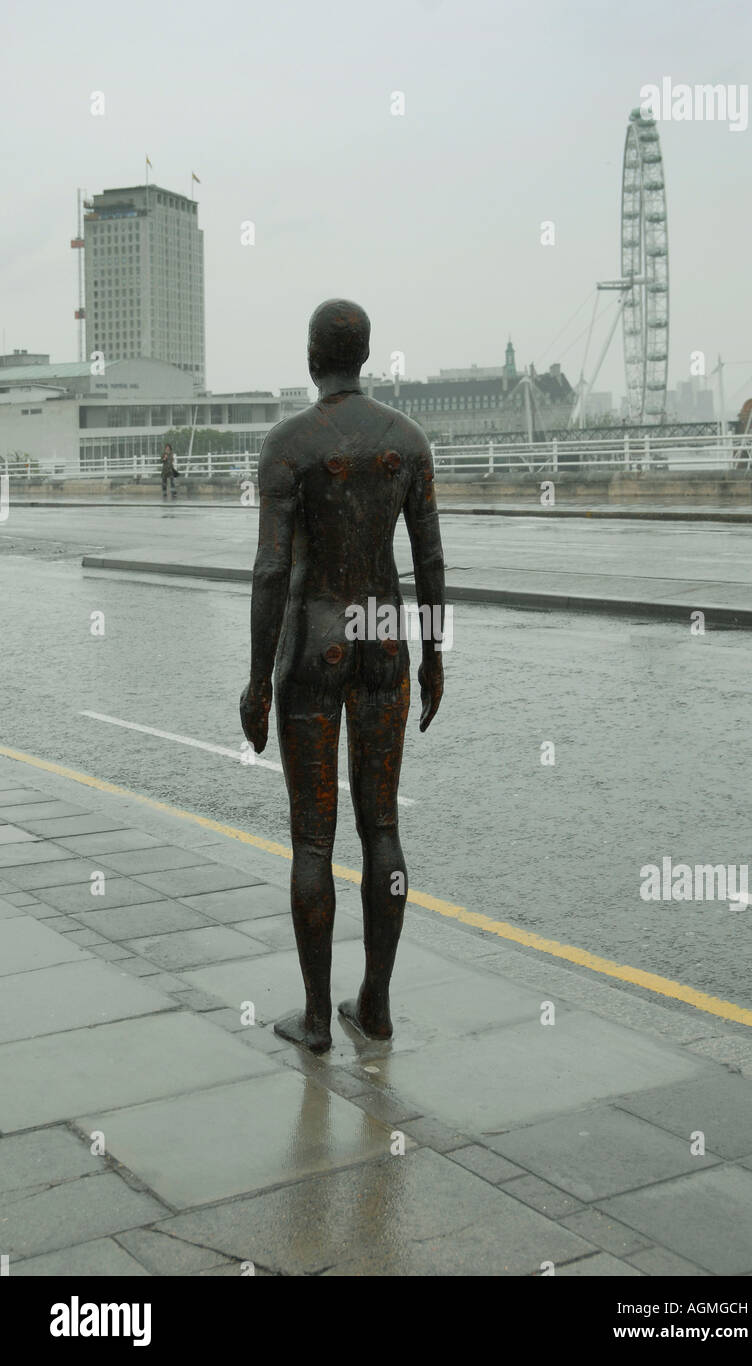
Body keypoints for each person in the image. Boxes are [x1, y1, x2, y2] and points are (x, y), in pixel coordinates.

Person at [240, 299, 445, 1053]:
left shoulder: (288, 445)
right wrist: (433, 655)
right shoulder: (407, 440)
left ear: (310, 356)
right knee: (382, 826)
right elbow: (428, 560)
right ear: (365, 354)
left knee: (312, 841)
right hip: (384, 634)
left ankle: (320, 1018)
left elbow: (269, 571)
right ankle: (378, 1005)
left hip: (316, 634)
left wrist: (259, 680)